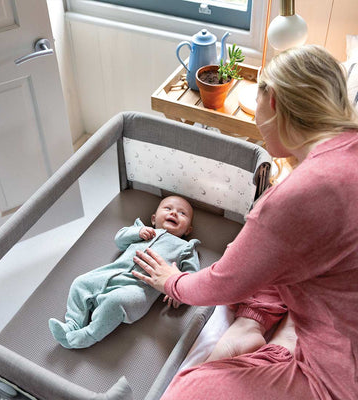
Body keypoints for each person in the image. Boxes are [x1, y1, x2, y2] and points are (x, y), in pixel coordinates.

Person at [132, 45, 358, 400]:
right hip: (337, 314)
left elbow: (223, 282)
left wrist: (172, 281)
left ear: (273, 102)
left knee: (184, 392)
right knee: (264, 261)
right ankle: (255, 323)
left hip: (339, 377)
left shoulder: (296, 197)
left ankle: (281, 338)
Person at [49, 195, 200, 349]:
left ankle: (87, 335)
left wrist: (178, 289)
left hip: (138, 289)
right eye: (168, 208)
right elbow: (119, 240)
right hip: (110, 273)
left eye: (182, 213)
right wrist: (138, 232)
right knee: (80, 283)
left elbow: (193, 278)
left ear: (188, 230)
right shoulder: (143, 231)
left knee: (115, 302)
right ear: (154, 219)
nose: (174, 213)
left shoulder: (185, 248)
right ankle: (72, 324)